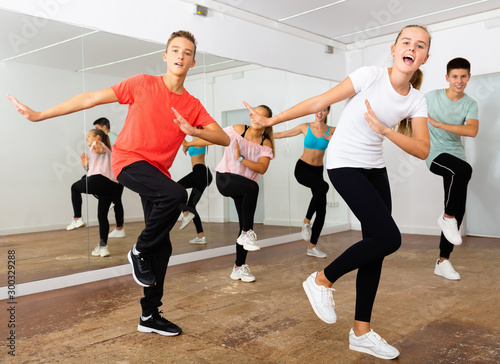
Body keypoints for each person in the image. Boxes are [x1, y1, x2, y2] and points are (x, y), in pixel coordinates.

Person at [7, 30, 230, 337]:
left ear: (192, 62)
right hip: (128, 161)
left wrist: (193, 129)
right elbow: (89, 97)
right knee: (178, 195)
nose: (181, 55)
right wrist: (41, 114)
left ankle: (150, 315)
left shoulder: (192, 104)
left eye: (188, 52)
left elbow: (223, 137)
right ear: (165, 57)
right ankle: (138, 249)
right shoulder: (142, 83)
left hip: (157, 175)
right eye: (175, 50)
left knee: (163, 247)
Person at [244, 25, 431, 360]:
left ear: (424, 57)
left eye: (420, 46)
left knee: (377, 246)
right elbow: (320, 101)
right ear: (394, 49)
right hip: (343, 163)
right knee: (391, 237)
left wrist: (385, 131)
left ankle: (361, 332)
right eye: (406, 42)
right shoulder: (369, 75)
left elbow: (421, 149)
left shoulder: (417, 100)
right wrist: (272, 122)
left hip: (375, 168)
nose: (411, 48)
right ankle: (321, 280)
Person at [185, 105, 274, 283]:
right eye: (254, 114)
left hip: (244, 186)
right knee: (253, 191)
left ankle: (239, 267)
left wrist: (241, 158)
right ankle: (246, 233)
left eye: (261, 116)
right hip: (225, 179)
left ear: (268, 121)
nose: (256, 118)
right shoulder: (238, 130)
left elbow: (262, 168)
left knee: (244, 227)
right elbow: (212, 139)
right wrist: (190, 143)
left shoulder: (266, 143)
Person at [425, 57, 479, 280]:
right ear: (447, 78)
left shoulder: (470, 103)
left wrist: (439, 124)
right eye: (455, 77)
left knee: (459, 210)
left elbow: (471, 131)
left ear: (468, 77)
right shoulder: (431, 97)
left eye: (463, 76)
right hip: (435, 154)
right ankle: (447, 217)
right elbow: (409, 112)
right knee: (464, 171)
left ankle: (442, 261)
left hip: (456, 154)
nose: (459, 81)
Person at [274, 106, 334, 258]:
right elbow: (281, 134)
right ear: (314, 111)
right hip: (302, 169)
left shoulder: (332, 130)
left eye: (324, 110)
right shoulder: (305, 127)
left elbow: (348, 142)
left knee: (322, 211)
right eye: (318, 110)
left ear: (328, 112)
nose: (320, 113)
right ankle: (306, 221)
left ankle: (312, 247)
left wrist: (335, 140)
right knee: (324, 187)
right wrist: (262, 135)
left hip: (318, 171)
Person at [68, 128, 121, 257]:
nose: (87, 139)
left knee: (74, 187)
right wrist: (86, 166)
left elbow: (99, 149)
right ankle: (103, 247)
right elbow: (96, 168)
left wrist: (97, 148)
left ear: (97, 137)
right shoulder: (109, 151)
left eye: (89, 136)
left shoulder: (98, 145)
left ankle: (77, 218)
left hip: (100, 181)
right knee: (102, 217)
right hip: (111, 186)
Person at [93, 117, 125, 239]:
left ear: (104, 127)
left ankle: (120, 228)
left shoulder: (111, 137)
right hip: (114, 173)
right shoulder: (109, 138)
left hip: (115, 173)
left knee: (116, 200)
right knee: (117, 200)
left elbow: (116, 154)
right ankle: (119, 228)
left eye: (97, 128)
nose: (96, 131)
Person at [177, 135, 212, 244]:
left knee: (174, 189)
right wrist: (187, 146)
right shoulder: (194, 140)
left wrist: (178, 129)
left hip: (200, 173)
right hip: (202, 175)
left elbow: (182, 140)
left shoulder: (200, 138)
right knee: (191, 206)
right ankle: (200, 236)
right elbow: (187, 144)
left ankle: (186, 214)